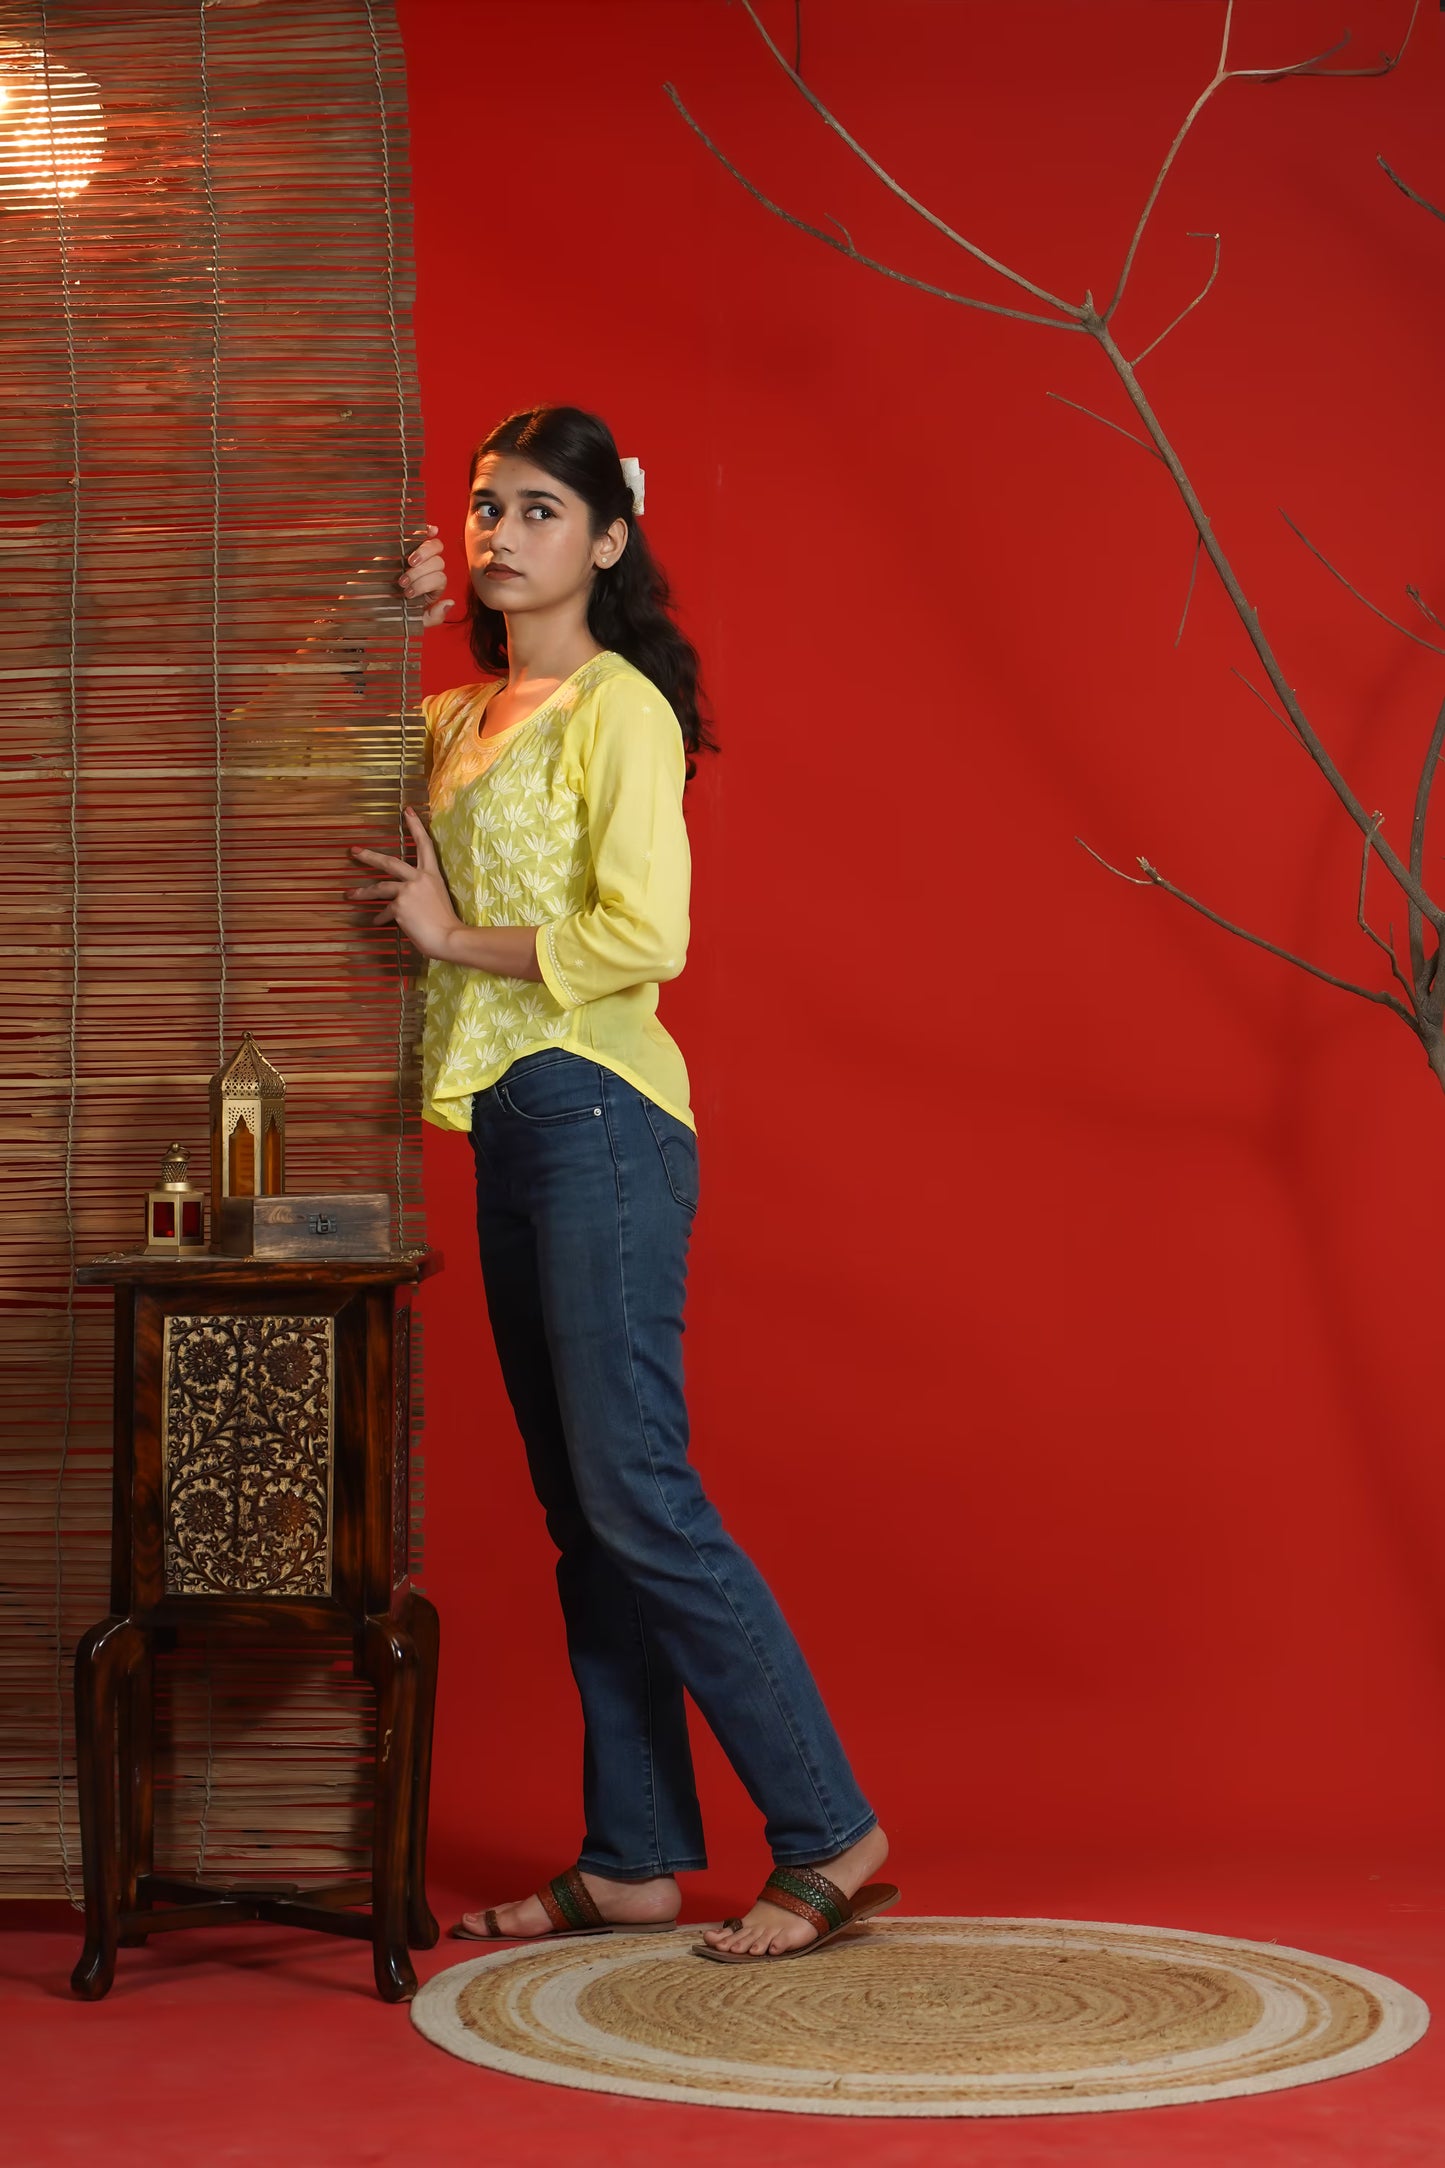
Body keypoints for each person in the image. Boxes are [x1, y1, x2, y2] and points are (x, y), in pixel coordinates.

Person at [348, 404, 893, 1962]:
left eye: (536, 510)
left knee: (636, 1492)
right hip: (512, 1125)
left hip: (599, 1113)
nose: (498, 533)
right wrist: (366, 608)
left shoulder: (618, 707)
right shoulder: (460, 718)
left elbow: (643, 937)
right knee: (584, 1513)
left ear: (605, 539)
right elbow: (288, 741)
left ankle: (830, 1834)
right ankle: (634, 1858)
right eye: (481, 507)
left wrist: (451, 941)